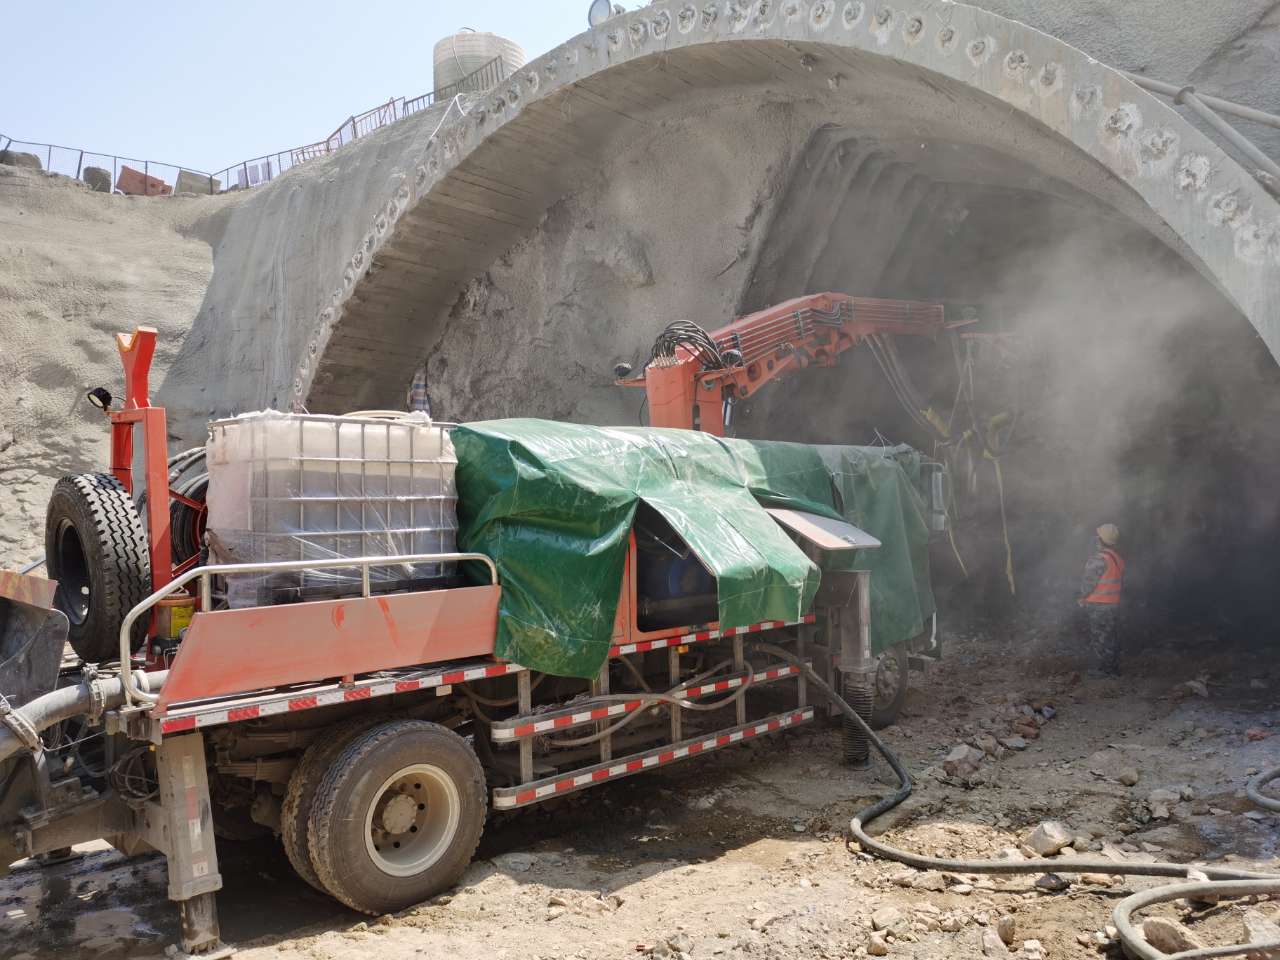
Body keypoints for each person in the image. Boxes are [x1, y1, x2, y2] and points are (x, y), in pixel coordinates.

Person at [1079, 523, 1125, 675]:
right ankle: (1113, 668)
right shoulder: (1117, 558)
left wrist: (1082, 597)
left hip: (1099, 605)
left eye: (1097, 537)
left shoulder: (1099, 559)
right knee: (1110, 636)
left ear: (1101, 540)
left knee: (1099, 639)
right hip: (1113, 604)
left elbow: (1088, 583)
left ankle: (1103, 671)